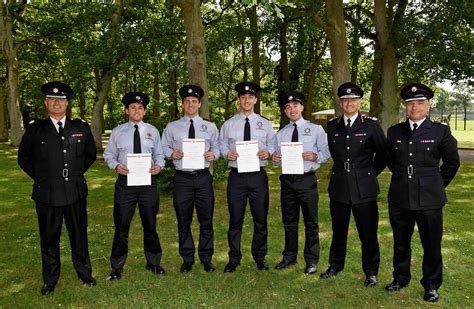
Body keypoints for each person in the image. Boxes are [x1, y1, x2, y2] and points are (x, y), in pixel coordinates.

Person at [18, 81, 97, 295]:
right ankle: (50, 279)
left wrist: (74, 174)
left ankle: (84, 272)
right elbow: (23, 158)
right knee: (49, 237)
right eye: (52, 99)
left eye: (60, 100)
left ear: (67, 103)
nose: (56, 103)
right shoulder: (35, 129)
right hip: (47, 193)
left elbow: (90, 155)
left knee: (79, 235)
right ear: (46, 103)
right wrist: (43, 178)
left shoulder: (80, 127)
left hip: (75, 191)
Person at [385, 83, 460, 302]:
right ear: (405, 107)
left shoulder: (440, 131)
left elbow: (452, 163)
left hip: (429, 199)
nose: (414, 107)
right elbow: (391, 161)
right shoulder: (395, 131)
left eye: (419, 103)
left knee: (431, 244)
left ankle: (431, 284)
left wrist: (436, 185)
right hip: (400, 196)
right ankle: (400, 278)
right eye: (410, 103)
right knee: (400, 242)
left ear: (428, 105)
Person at [321, 82, 387, 287]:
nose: (349, 103)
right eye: (345, 100)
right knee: (338, 230)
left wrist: (367, 174)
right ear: (341, 103)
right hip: (339, 185)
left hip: (364, 187)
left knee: (367, 232)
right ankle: (335, 265)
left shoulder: (371, 125)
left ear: (359, 102)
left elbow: (383, 154)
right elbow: (333, 151)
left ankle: (371, 272)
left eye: (353, 100)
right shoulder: (332, 125)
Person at [103, 91, 166, 280]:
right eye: (133, 107)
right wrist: (116, 166)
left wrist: (159, 166)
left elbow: (160, 155)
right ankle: (117, 267)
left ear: (144, 111)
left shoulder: (152, 131)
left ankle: (153, 263)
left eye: (140, 107)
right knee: (121, 226)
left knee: (150, 224)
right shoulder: (117, 132)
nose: (136, 110)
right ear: (126, 110)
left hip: (148, 183)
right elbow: (108, 155)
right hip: (125, 184)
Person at [161, 84, 220, 273]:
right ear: (182, 104)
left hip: (203, 178)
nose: (190, 104)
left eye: (194, 101)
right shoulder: (172, 127)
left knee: (206, 219)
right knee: (183, 219)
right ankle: (187, 259)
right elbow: (163, 148)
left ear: (199, 104)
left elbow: (218, 147)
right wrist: (172, 154)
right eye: (187, 101)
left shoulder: (210, 126)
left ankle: (206, 258)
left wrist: (213, 155)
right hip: (182, 179)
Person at [219, 81, 277, 272]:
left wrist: (267, 152)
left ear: (255, 99)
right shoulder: (228, 125)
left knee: (260, 218)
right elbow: (221, 145)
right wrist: (227, 153)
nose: (246, 100)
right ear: (238, 100)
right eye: (243, 97)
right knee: (235, 219)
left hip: (257, 176)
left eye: (250, 97)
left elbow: (273, 145)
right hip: (236, 177)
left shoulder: (265, 123)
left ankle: (260, 258)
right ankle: (233, 259)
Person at [272, 91, 330, 275]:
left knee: (311, 222)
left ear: (302, 107)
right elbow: (275, 160)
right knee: (289, 222)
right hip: (288, 181)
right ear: (285, 111)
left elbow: (327, 152)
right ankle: (289, 257)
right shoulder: (281, 134)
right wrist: (275, 158)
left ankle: (311, 260)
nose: (292, 109)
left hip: (307, 180)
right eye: (287, 107)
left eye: (295, 105)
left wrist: (316, 156)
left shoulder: (316, 130)